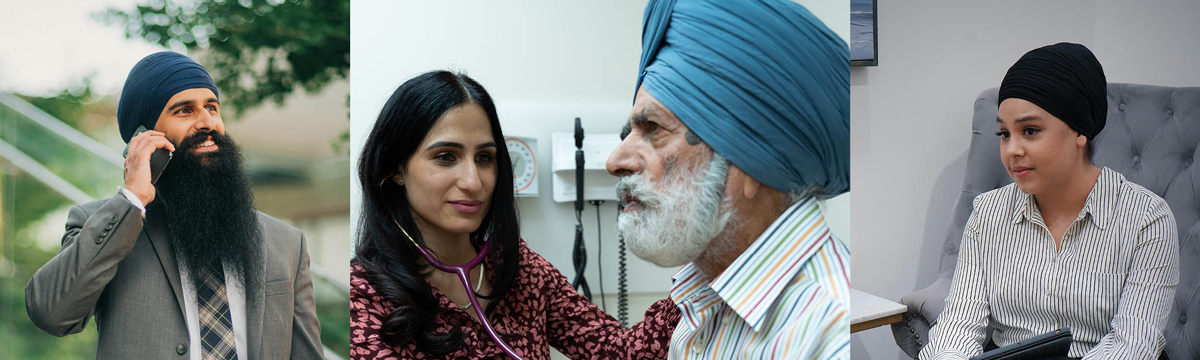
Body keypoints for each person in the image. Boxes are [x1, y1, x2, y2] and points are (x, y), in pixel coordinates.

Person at [349, 70, 680, 360]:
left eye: (484, 158)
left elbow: (621, 352)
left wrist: (703, 257)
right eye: (446, 156)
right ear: (396, 169)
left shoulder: (518, 269)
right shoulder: (363, 298)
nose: (473, 181)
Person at [24, 51, 324, 359]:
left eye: (212, 107)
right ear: (144, 137)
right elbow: (51, 314)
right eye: (184, 111)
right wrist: (132, 199)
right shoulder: (101, 223)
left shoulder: (287, 242)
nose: (208, 122)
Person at [605, 0, 851, 358]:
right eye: (628, 133)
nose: (615, 161)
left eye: (653, 129)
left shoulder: (829, 334)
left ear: (753, 161)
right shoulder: (699, 306)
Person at [919, 43, 1179, 360]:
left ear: (1080, 130)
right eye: (1004, 134)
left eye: (1030, 131)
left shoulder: (1146, 219)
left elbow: (1134, 345)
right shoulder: (988, 214)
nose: (1012, 150)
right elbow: (958, 327)